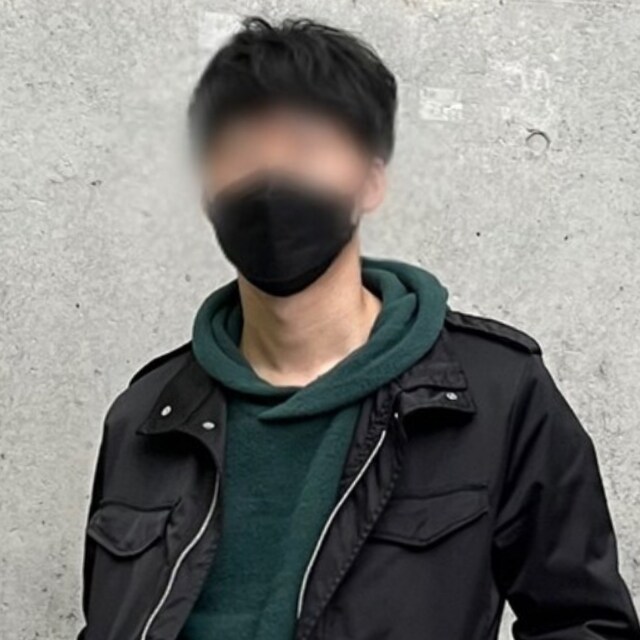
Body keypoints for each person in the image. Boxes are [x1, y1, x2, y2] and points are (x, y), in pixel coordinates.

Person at [77, 16, 640, 640]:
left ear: (370, 182)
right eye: (241, 150)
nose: (271, 178)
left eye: (305, 147)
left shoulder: (496, 394)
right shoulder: (146, 416)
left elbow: (586, 623)